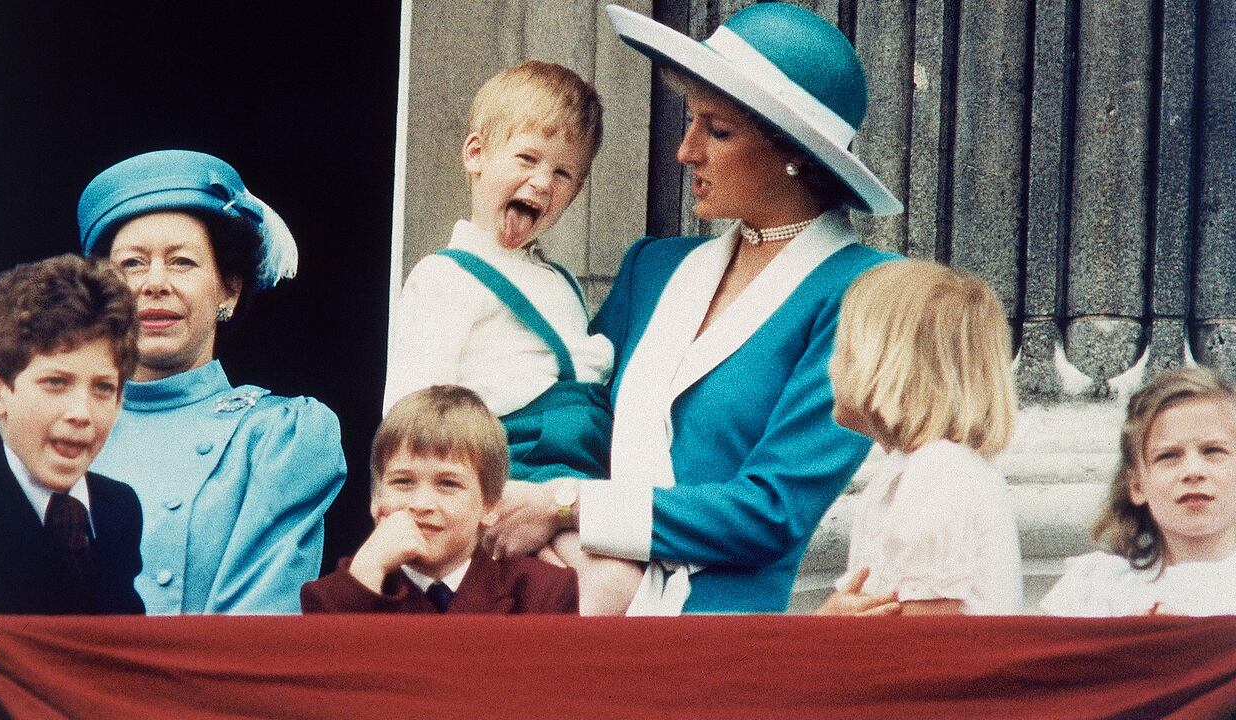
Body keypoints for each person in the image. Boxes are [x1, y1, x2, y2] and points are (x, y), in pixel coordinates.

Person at [485, 2, 903, 614]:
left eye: (717, 129)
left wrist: (567, 505)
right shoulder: (653, 269)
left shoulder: (861, 294)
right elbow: (572, 425)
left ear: (795, 151)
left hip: (717, 647)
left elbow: (772, 512)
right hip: (567, 615)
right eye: (690, 121)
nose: (685, 151)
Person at [76, 149, 347, 614]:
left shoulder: (278, 437)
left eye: (182, 262)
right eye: (132, 265)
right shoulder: (58, 430)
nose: (154, 283)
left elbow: (251, 636)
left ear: (230, 290)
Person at [382, 59, 613, 484]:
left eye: (563, 173)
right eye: (527, 158)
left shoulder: (561, 283)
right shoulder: (444, 278)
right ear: (476, 155)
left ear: (577, 190)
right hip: (505, 480)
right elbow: (411, 416)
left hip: (581, 476)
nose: (543, 182)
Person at [819, 260, 1022, 615]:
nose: (830, 367)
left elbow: (926, 642)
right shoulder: (911, 469)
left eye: (844, 349)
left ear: (887, 364)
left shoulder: (941, 470)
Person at [0, 254, 144, 614]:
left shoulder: (118, 510)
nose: (81, 414)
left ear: (120, 401)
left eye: (103, 389)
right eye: (56, 382)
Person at [301, 385, 578, 614]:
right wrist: (368, 571)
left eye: (447, 484)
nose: (421, 504)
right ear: (376, 500)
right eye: (403, 482)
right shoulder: (333, 595)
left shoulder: (542, 591)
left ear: (491, 504)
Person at [1041, 366, 1236, 616]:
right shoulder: (1094, 587)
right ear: (1137, 486)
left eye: (1213, 451)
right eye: (1168, 456)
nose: (1192, 471)